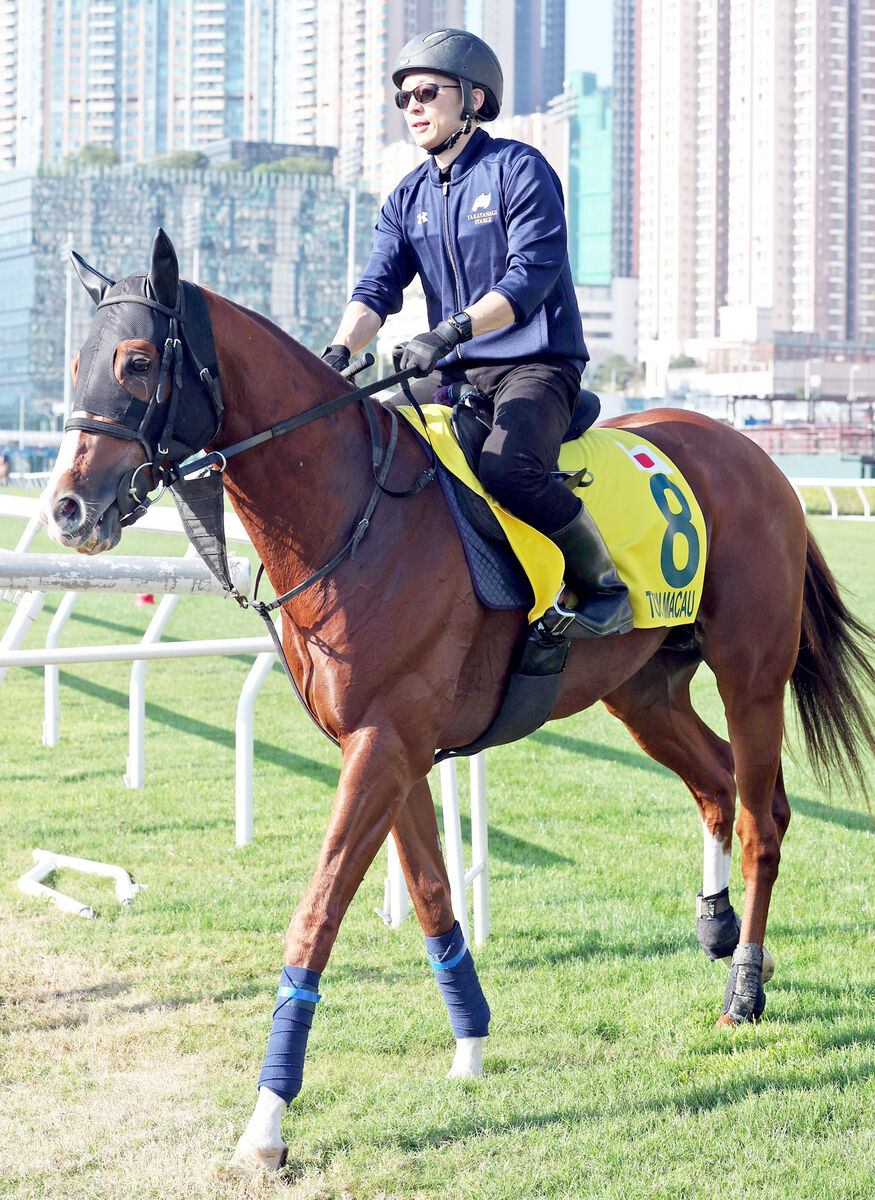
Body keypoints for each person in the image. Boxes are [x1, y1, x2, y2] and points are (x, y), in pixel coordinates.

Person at [322, 28, 632, 638]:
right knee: (375, 443)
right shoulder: (405, 197)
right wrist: (335, 353)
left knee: (508, 469)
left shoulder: (519, 168)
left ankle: (606, 588)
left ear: (472, 99)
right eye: (403, 98)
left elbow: (529, 278)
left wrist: (448, 331)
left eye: (426, 92)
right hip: (456, 370)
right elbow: (374, 292)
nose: (412, 106)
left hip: (535, 362)